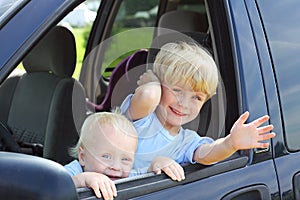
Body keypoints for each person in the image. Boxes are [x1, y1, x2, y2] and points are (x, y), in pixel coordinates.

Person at [120, 41, 276, 181]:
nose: (184, 103)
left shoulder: (186, 141)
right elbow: (148, 95)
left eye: (196, 97)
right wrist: (152, 80)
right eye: (176, 90)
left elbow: (207, 154)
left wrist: (231, 143)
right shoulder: (142, 117)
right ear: (159, 87)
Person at [64, 110, 138, 200]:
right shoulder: (73, 171)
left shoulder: (126, 176)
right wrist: (80, 180)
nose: (116, 167)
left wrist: (156, 166)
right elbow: (52, 187)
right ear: (83, 157)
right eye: (106, 156)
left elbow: (146, 175)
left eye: (125, 159)